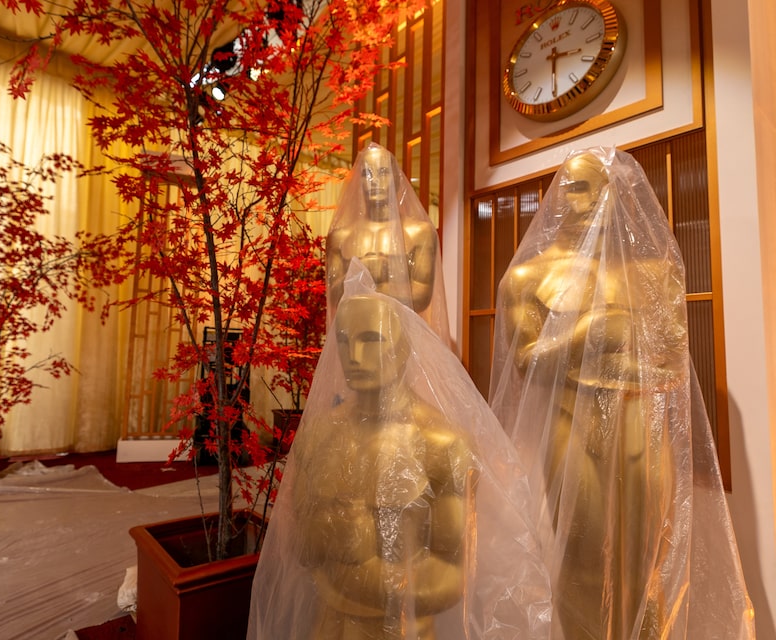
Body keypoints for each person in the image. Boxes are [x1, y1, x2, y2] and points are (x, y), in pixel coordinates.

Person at [489, 147, 755, 639]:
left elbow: (670, 355)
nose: (584, 200)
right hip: (571, 424)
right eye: (573, 189)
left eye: (595, 188)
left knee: (643, 560)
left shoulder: (654, 273)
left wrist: (588, 356)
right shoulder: (529, 277)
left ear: (617, 195)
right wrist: (590, 332)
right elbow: (526, 360)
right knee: (581, 556)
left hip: (638, 425)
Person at [248, 263, 552, 640]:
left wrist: (371, 571)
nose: (354, 355)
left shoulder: (440, 445)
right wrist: (329, 531)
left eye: (371, 339)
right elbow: (298, 549)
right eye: (344, 340)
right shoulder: (319, 435)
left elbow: (452, 574)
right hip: (326, 625)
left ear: (403, 348)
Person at [326, 143, 446, 337]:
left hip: (402, 334)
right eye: (367, 174)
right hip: (353, 333)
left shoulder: (419, 233)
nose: (375, 181)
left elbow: (421, 296)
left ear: (396, 178)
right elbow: (334, 295)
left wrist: (377, 274)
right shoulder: (341, 236)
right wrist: (368, 271)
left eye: (383, 172)